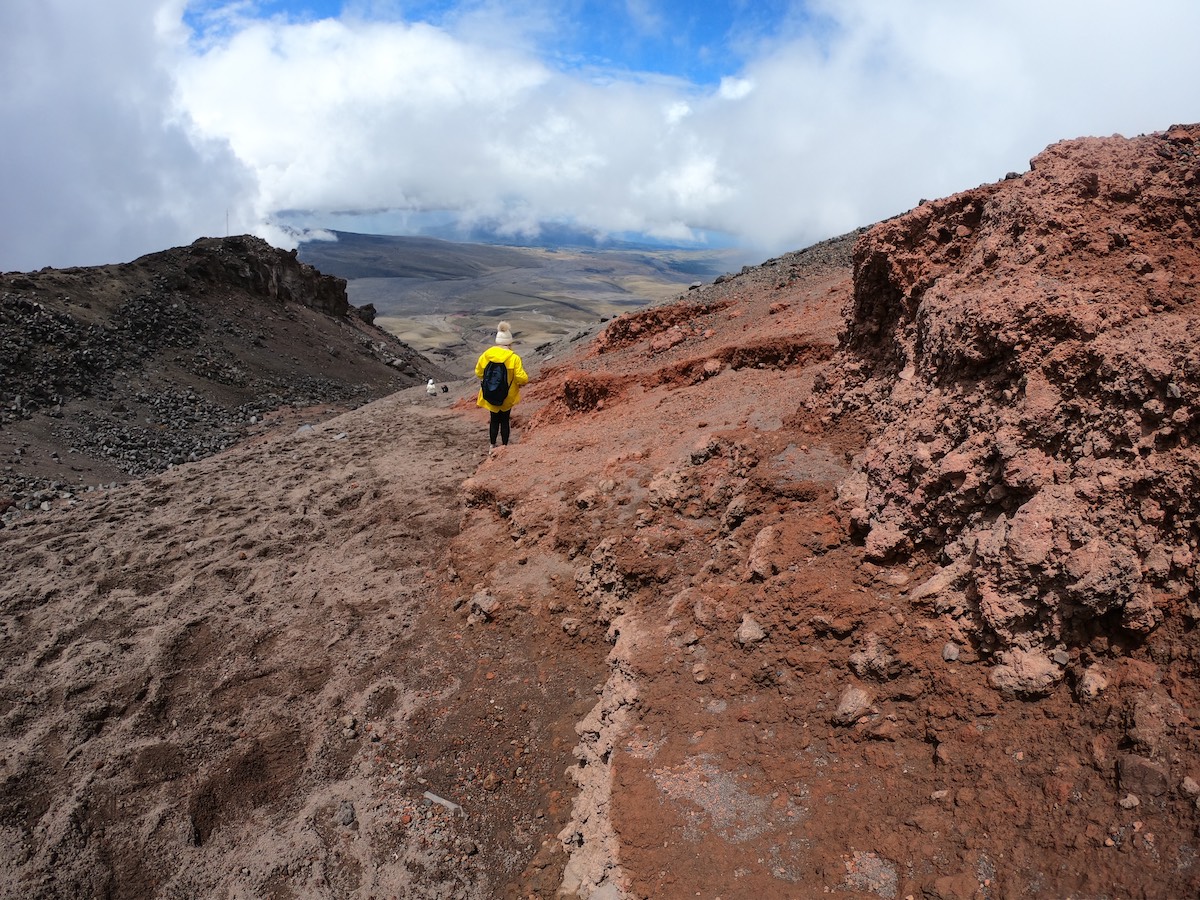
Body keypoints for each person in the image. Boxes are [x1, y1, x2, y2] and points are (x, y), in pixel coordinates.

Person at [475, 321, 529, 448]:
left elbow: (478, 373)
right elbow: (521, 378)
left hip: (490, 394)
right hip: (507, 396)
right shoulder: (514, 358)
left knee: (494, 420)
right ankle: (504, 446)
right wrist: (523, 381)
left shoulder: (486, 355)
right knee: (505, 420)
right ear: (509, 342)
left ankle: (492, 446)